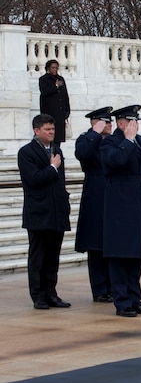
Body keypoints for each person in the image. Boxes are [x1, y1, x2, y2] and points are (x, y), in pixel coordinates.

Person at [100, 105, 141, 317]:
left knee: (136, 256)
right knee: (120, 256)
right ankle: (122, 301)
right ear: (121, 123)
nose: (135, 125)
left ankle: (135, 298)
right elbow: (115, 162)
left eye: (136, 121)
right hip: (120, 208)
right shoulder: (110, 143)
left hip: (139, 206)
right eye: (131, 121)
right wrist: (128, 140)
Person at [18, 114, 71, 309]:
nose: (52, 132)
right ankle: (38, 296)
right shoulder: (26, 152)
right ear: (36, 131)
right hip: (39, 213)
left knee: (52, 256)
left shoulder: (56, 150)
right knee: (38, 257)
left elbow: (60, 181)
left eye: (53, 129)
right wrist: (52, 167)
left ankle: (51, 293)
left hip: (56, 211)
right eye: (48, 129)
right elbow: (33, 179)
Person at [74, 106, 114, 303]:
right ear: (95, 122)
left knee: (112, 243)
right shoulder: (87, 139)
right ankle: (99, 289)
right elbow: (82, 153)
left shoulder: (115, 141)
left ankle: (113, 285)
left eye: (110, 122)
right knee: (96, 245)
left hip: (113, 195)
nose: (110, 125)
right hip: (96, 195)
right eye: (105, 122)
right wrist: (95, 133)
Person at [38, 59, 71, 144]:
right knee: (49, 136)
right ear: (48, 68)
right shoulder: (43, 79)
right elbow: (44, 91)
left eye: (56, 68)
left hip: (60, 113)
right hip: (49, 112)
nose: (55, 70)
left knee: (58, 137)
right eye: (53, 68)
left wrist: (67, 110)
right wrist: (55, 86)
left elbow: (65, 95)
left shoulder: (60, 79)